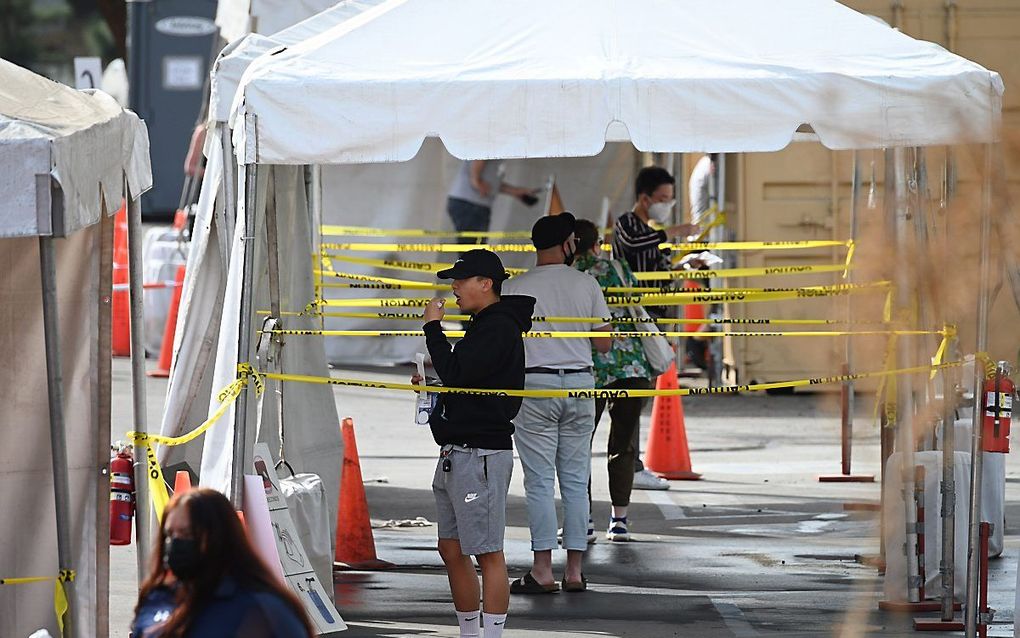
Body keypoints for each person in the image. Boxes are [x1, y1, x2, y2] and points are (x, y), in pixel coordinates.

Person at [413, 249, 535, 638]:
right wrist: (437, 389)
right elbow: (465, 381)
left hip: (480, 452)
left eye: (461, 280)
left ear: (486, 283)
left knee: (487, 551)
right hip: (459, 450)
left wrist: (433, 329)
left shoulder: (497, 326)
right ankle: (469, 630)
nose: (454, 288)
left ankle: (490, 634)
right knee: (451, 548)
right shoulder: (487, 324)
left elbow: (458, 373)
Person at [502, 212, 611, 594]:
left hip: (535, 386)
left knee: (539, 481)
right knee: (577, 481)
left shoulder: (516, 287)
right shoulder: (587, 283)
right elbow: (604, 343)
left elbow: (505, 343)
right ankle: (576, 571)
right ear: (569, 244)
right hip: (580, 385)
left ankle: (543, 570)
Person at [611, 166, 698, 491]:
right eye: (663, 199)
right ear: (645, 198)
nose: (667, 204)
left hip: (652, 318)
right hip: (633, 320)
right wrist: (674, 231)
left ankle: (631, 462)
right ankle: (628, 463)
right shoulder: (629, 224)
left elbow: (658, 268)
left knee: (639, 391)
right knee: (632, 391)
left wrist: (684, 265)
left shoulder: (652, 230)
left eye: (671, 199)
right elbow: (634, 244)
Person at [131, 488, 313, 638]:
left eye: (187, 534)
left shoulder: (261, 609)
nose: (175, 543)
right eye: (170, 535)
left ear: (220, 539)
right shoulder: (158, 597)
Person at [573, 219, 654, 542]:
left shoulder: (572, 276)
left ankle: (585, 519)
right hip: (631, 369)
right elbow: (638, 303)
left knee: (578, 446)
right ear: (597, 245)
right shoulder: (618, 268)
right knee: (623, 445)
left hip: (586, 370)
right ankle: (619, 520)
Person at [446, 161, 539, 242]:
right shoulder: (494, 146)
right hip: (470, 202)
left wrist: (515, 191)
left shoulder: (498, 157)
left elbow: (491, 184)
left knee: (475, 249)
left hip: (473, 203)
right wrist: (476, 180)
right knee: (472, 249)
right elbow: (481, 154)